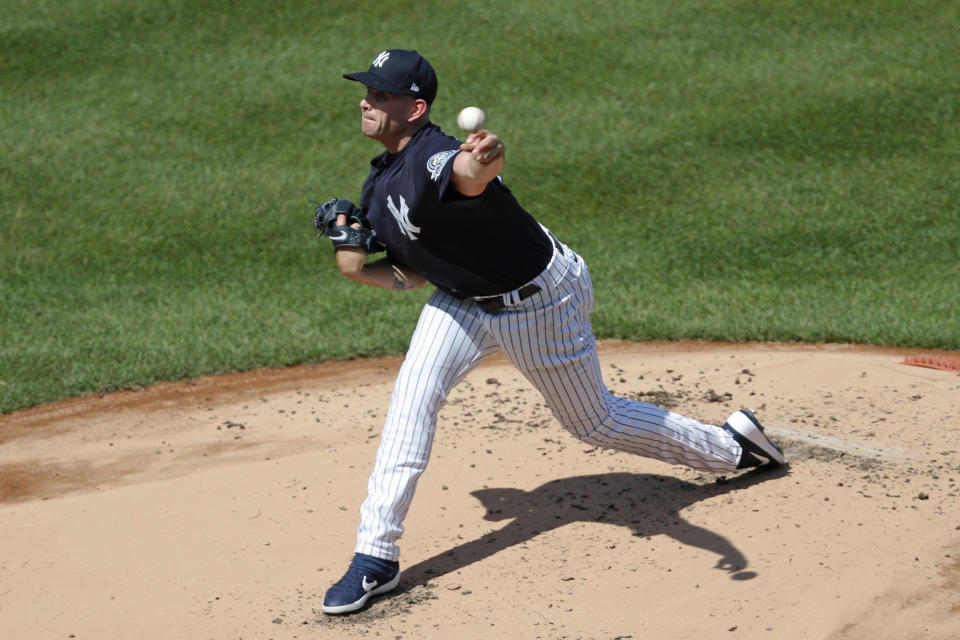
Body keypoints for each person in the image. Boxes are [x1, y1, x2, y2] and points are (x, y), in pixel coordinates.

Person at [319, 49, 785, 615]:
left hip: (541, 300)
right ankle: (376, 558)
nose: (367, 102)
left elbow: (468, 175)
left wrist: (487, 159)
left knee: (595, 422)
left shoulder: (437, 156)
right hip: (461, 301)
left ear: (416, 108)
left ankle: (732, 447)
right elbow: (411, 273)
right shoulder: (377, 186)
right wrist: (351, 254)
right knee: (410, 405)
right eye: (368, 92)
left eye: (382, 96)